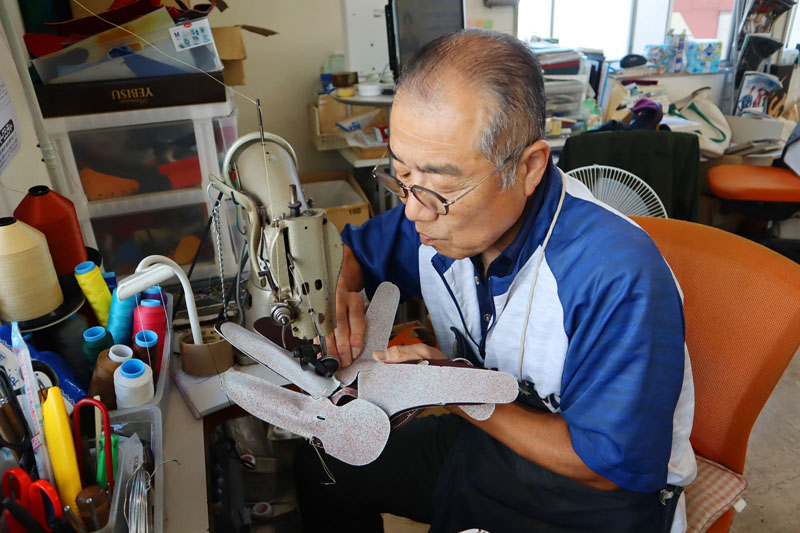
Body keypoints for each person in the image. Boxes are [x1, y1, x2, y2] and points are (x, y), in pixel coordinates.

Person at [294, 29, 696, 533]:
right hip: (488, 441)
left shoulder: (615, 276)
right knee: (325, 462)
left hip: (590, 499)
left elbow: (605, 466)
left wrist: (455, 387)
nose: (414, 211)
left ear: (529, 167)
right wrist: (341, 295)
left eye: (440, 187)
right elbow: (353, 252)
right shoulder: (431, 218)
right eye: (402, 176)